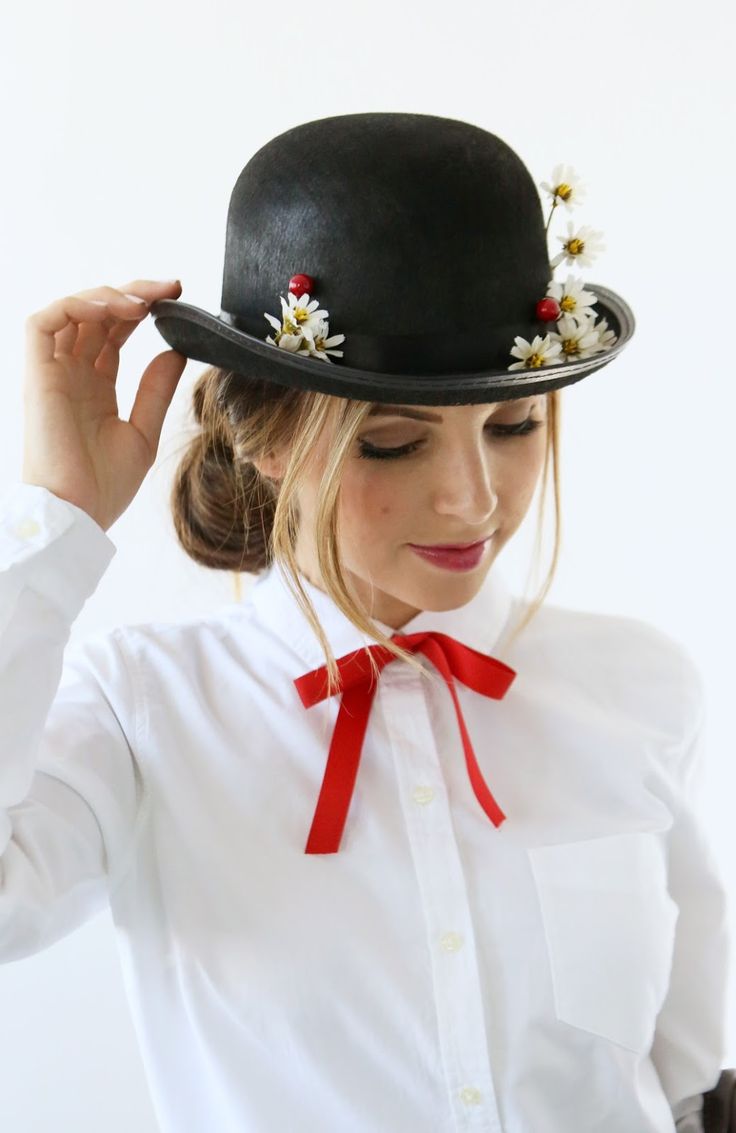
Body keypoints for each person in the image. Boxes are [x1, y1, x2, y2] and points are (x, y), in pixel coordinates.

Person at [1, 112, 730, 1133]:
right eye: (392, 443)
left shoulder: (642, 686)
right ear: (263, 438)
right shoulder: (143, 709)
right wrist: (58, 524)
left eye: (513, 427)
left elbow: (691, 1081)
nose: (472, 500)